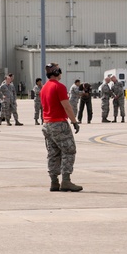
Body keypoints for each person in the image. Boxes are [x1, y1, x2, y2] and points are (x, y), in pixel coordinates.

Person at [39, 62, 82, 192]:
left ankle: (54, 182)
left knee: (53, 153)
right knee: (69, 150)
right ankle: (66, 181)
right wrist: (74, 121)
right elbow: (66, 105)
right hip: (59, 123)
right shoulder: (59, 87)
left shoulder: (44, 88)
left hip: (47, 124)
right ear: (57, 73)